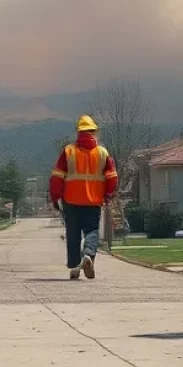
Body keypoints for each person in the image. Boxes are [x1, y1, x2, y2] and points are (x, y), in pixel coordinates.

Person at [49, 115, 118, 280]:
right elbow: (112, 177)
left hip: (71, 200)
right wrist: (107, 195)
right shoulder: (102, 153)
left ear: (78, 132)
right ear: (94, 132)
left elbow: (56, 177)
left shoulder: (69, 151)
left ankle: (74, 267)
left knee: (73, 234)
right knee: (92, 230)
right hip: (93, 201)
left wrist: (55, 198)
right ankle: (88, 254)